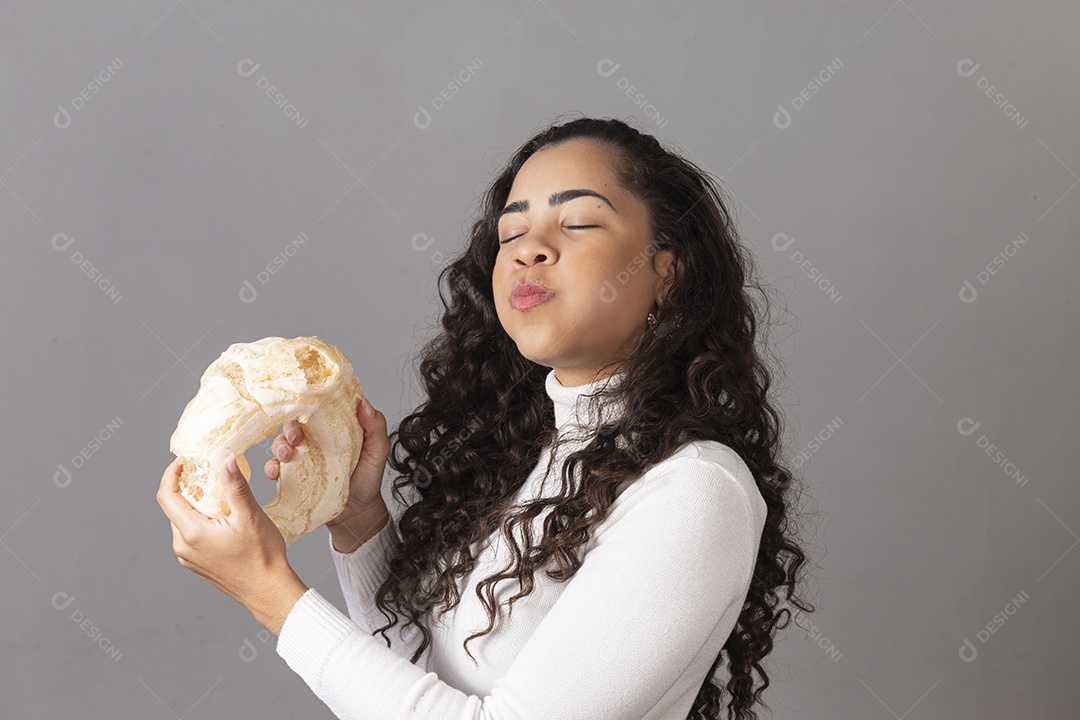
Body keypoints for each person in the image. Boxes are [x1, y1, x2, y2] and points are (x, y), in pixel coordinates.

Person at [157, 115, 815, 719]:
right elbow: (426, 682)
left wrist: (269, 591)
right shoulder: (525, 457)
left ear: (667, 273)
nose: (530, 249)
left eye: (578, 223)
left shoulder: (694, 492)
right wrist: (357, 522)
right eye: (511, 232)